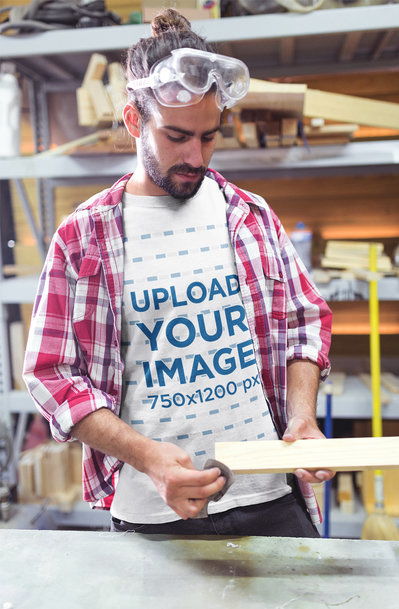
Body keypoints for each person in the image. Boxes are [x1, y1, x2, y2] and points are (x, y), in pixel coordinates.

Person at [23, 9, 333, 537]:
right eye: (175, 136)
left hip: (272, 496)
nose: (195, 156)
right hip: (155, 512)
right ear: (132, 121)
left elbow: (305, 322)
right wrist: (147, 457)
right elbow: (52, 375)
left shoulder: (250, 216)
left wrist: (302, 416)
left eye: (209, 137)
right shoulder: (85, 237)